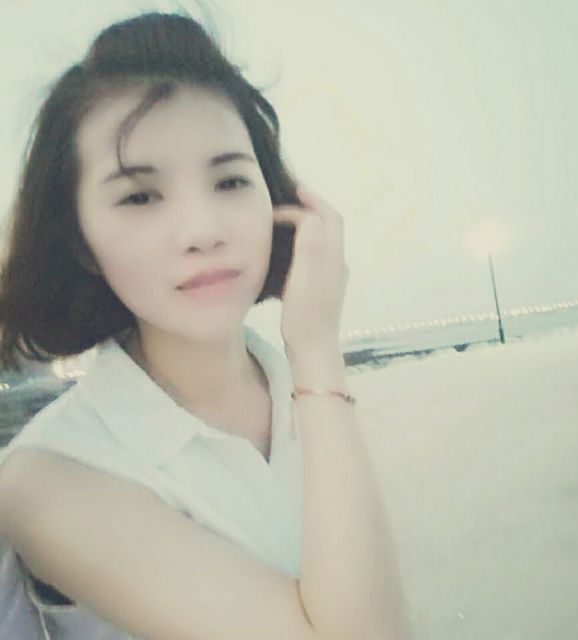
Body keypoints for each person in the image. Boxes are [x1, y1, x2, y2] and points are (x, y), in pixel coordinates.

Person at [0, 10, 411, 640]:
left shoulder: (308, 403)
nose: (203, 230)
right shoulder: (49, 474)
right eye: (140, 196)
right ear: (80, 240)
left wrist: (313, 361)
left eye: (230, 180)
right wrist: (317, 351)